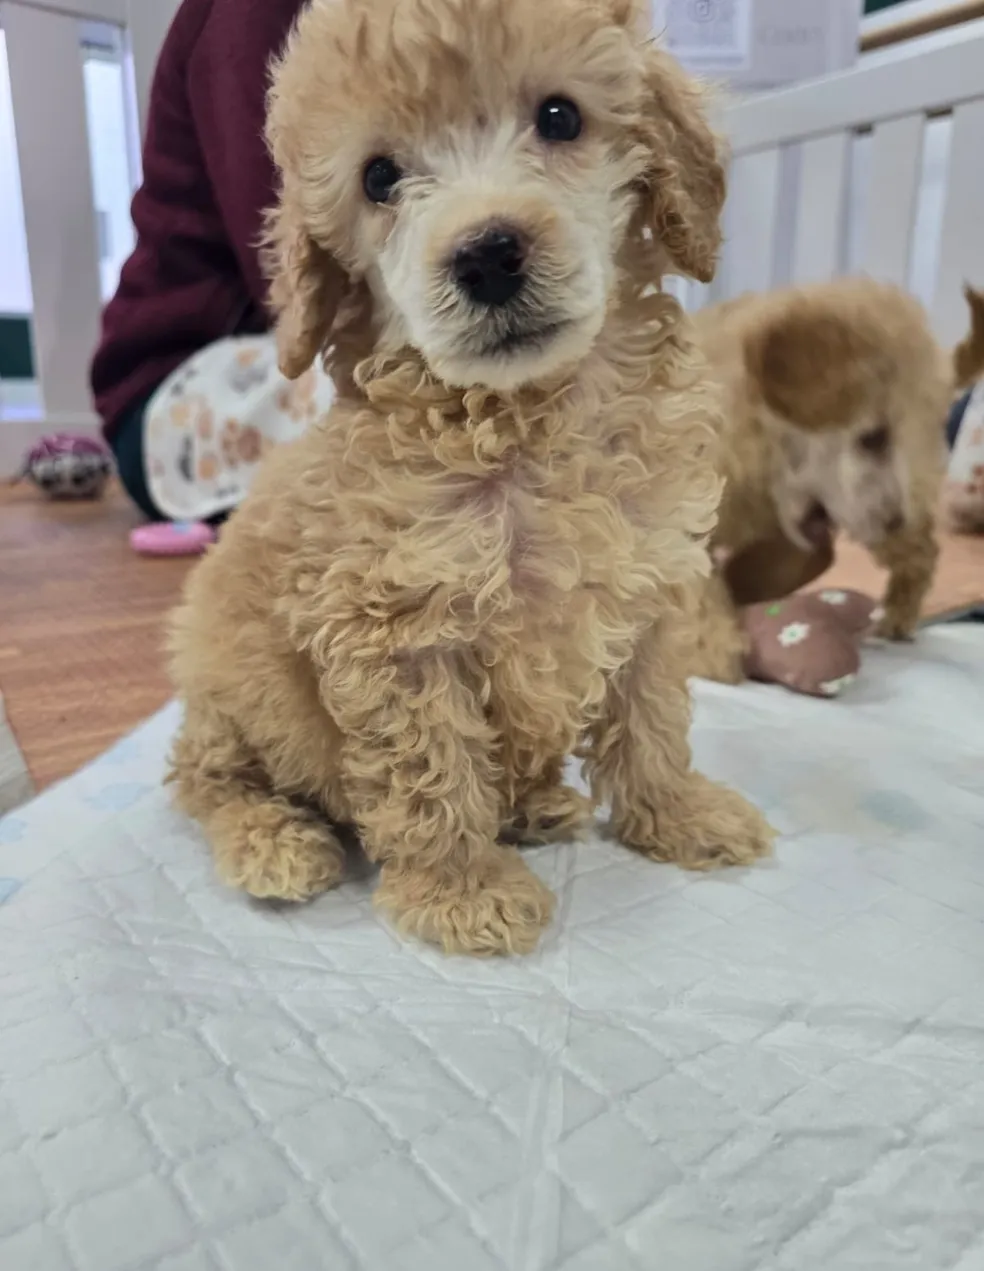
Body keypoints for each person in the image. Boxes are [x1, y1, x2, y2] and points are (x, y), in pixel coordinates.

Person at [90, 0, 332, 524]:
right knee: (397, 390)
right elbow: (280, 261)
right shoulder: (245, 18)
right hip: (172, 394)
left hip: (277, 353)